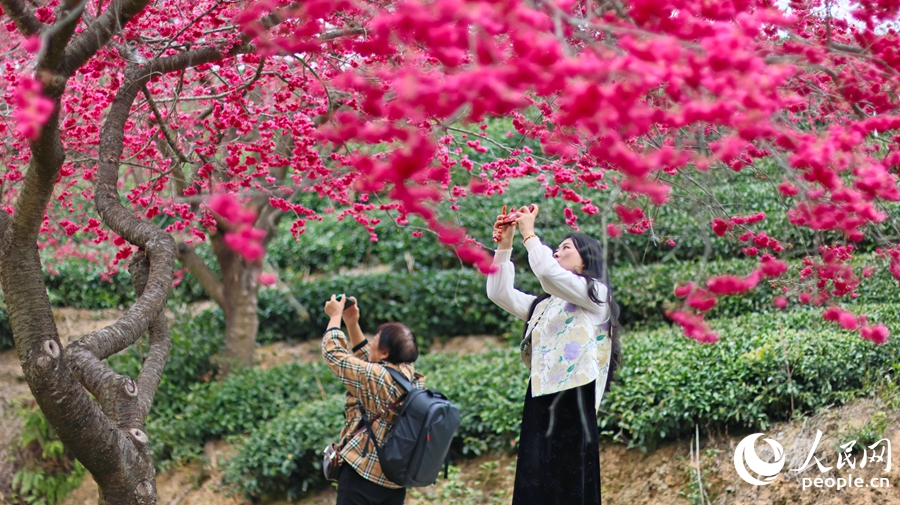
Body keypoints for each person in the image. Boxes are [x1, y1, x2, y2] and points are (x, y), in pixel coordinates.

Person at [486, 204, 622, 505]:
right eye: (556, 248)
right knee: (535, 477)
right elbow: (499, 293)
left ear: (584, 264)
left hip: (574, 396)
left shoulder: (596, 295)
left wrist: (529, 234)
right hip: (540, 394)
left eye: (566, 248)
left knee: (569, 480)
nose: (557, 252)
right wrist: (505, 245)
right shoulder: (544, 305)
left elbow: (547, 273)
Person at [321, 294, 424, 505]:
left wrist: (335, 318)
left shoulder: (378, 379)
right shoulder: (411, 378)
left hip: (362, 476)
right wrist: (352, 323)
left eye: (375, 339)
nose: (372, 342)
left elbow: (334, 355)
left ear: (385, 352)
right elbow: (370, 360)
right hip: (393, 481)